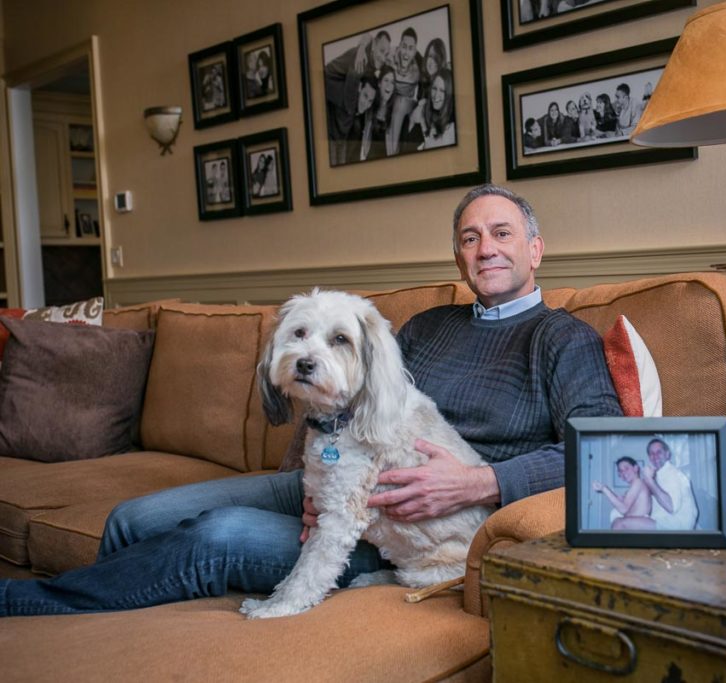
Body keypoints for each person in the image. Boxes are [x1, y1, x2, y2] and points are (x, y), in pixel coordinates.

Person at [0, 184, 622, 616]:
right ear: (458, 256)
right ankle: (121, 625)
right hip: (332, 480)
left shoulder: (561, 338)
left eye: (501, 233)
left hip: (405, 528)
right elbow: (335, 402)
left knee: (216, 536)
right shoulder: (428, 326)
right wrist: (304, 490)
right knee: (132, 518)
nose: (485, 247)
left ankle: (28, 605)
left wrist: (478, 481)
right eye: (469, 237)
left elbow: (603, 450)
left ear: (534, 249)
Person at [324, 30, 391, 165]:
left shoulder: (371, 61)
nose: (383, 57)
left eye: (386, 54)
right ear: (373, 47)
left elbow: (369, 36)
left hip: (338, 95)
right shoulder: (361, 61)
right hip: (327, 82)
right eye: (381, 51)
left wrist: (362, 44)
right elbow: (350, 104)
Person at [642, 437, 698, 530]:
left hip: (677, 526)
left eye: (659, 452)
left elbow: (671, 507)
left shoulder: (673, 474)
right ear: (649, 457)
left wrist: (649, 480)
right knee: (623, 521)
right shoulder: (658, 475)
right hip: (664, 522)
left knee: (621, 524)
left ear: (667, 454)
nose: (655, 456)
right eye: (651, 453)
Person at [593, 456, 655, 530]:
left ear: (636, 468)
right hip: (635, 522)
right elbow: (623, 506)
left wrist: (604, 489)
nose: (623, 472)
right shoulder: (635, 485)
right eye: (620, 470)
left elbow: (624, 509)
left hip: (640, 522)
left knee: (618, 523)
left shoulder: (638, 482)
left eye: (626, 468)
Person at [388, 27, 422, 155]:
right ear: (399, 45)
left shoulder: (419, 66)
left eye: (410, 48)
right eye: (404, 46)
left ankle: (394, 155)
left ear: (415, 51)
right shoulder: (390, 55)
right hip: (390, 99)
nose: (406, 52)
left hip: (406, 103)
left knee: (400, 102)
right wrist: (363, 46)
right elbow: (370, 38)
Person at [362, 65, 397, 160]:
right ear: (379, 83)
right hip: (369, 160)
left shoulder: (396, 110)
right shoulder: (370, 104)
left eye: (392, 82)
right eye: (386, 80)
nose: (389, 85)